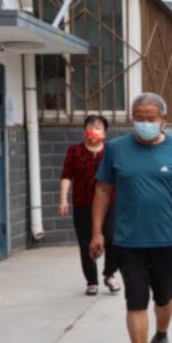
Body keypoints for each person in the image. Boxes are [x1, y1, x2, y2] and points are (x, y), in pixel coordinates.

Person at [90, 92, 172, 343]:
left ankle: (160, 337)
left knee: (164, 297)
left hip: (167, 239)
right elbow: (102, 190)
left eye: (150, 118)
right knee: (136, 300)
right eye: (139, 118)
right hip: (129, 241)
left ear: (163, 119)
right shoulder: (116, 149)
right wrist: (97, 232)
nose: (144, 123)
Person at [60, 115, 120, 296]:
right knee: (86, 242)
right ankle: (91, 281)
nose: (94, 131)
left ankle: (109, 274)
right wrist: (63, 199)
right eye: (90, 127)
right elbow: (66, 176)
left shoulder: (111, 151)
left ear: (105, 133)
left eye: (99, 127)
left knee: (112, 238)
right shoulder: (74, 151)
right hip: (83, 203)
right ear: (84, 131)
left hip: (109, 203)